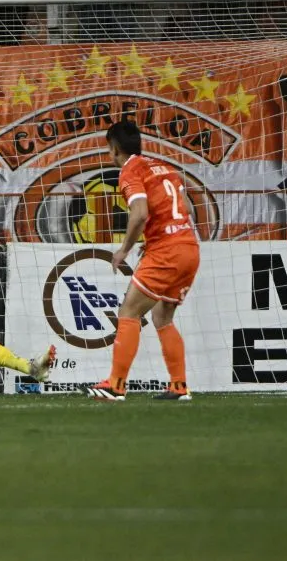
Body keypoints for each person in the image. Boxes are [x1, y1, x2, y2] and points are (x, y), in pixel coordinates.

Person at [87, 121, 199, 402]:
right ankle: (179, 386)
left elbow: (139, 213)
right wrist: (156, 238)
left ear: (114, 150)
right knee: (162, 316)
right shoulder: (164, 167)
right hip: (189, 248)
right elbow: (184, 207)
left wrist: (124, 249)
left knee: (129, 311)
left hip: (167, 251)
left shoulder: (130, 170)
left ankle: (116, 385)